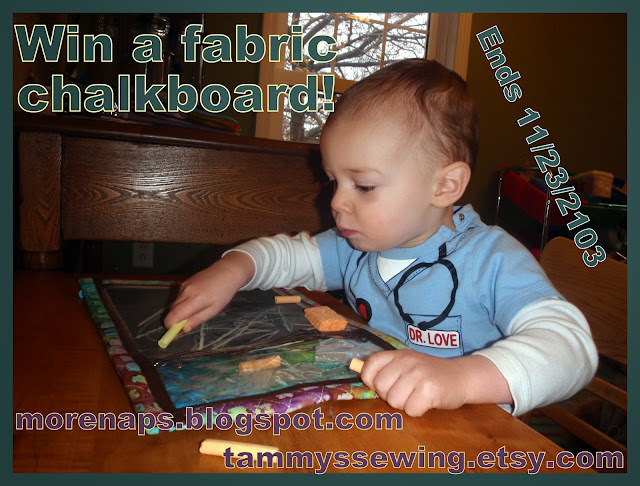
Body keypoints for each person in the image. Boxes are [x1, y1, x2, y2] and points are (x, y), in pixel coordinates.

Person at [165, 59, 597, 417]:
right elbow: (285, 255)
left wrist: (462, 378)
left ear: (444, 186)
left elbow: (571, 350)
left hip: (465, 443)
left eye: (364, 186)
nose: (337, 202)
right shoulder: (356, 246)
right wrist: (234, 269)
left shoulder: (490, 259)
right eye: (334, 181)